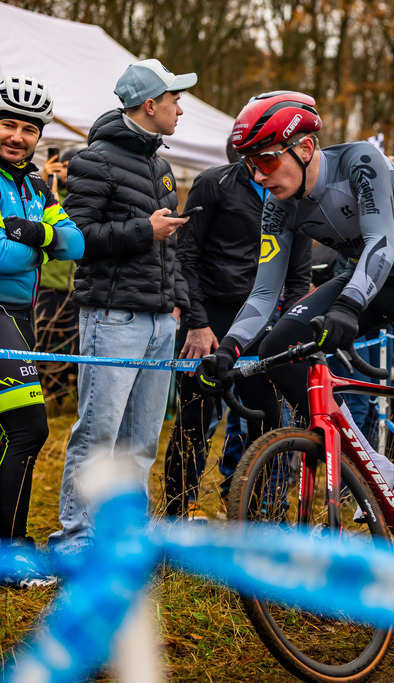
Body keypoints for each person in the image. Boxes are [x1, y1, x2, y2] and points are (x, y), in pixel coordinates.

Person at [200, 92, 394, 569]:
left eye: (267, 160)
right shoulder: (279, 205)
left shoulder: (360, 161)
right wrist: (229, 349)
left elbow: (381, 241)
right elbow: (263, 293)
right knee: (278, 347)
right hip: (361, 278)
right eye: (251, 163)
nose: (259, 174)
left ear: (305, 148)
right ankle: (374, 462)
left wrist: (350, 306)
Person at [51, 59, 196, 553]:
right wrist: (144, 231)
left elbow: (168, 248)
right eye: (175, 99)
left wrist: (177, 305)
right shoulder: (94, 159)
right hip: (112, 318)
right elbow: (74, 239)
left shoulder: (160, 164)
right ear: (150, 104)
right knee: (98, 435)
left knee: (141, 443)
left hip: (159, 323)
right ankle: (75, 541)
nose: (181, 107)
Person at [163, 138, 311, 521]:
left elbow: (299, 276)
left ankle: (254, 513)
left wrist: (292, 325)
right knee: (196, 419)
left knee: (270, 419)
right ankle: (178, 514)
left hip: (263, 327)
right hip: (212, 319)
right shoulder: (214, 183)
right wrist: (197, 322)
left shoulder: (298, 192)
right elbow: (186, 255)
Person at [0, 76, 84, 587]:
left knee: (8, 435)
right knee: (29, 429)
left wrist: (39, 233)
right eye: (7, 123)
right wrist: (39, 244)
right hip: (0, 314)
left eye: (27, 129)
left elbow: (74, 245)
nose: (17, 136)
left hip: (23, 317)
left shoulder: (35, 186)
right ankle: (12, 554)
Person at [34, 148, 83, 403]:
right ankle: (44, 397)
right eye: (62, 165)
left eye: (71, 166)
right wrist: (44, 180)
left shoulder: (85, 197)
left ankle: (65, 399)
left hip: (77, 289)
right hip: (47, 285)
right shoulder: (47, 195)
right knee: (43, 340)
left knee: (74, 346)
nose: (66, 171)